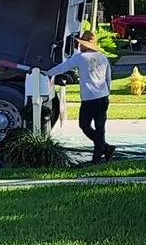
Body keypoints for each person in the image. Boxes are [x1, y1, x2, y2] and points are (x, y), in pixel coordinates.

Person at [47, 30, 114, 164]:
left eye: (81, 44)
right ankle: (102, 151)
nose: (79, 47)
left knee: (84, 125)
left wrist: (47, 73)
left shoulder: (81, 58)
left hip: (89, 98)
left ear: (84, 45)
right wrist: (107, 92)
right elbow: (108, 78)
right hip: (103, 96)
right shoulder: (103, 57)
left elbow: (63, 68)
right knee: (100, 127)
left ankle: (102, 149)